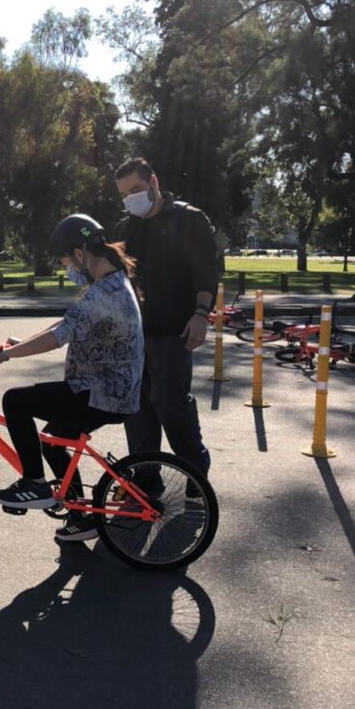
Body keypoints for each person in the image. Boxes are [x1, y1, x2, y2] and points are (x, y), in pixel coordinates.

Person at [0, 214, 144, 542]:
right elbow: (66, 323)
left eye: (65, 260)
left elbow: (60, 335)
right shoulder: (111, 284)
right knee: (52, 440)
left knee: (15, 400)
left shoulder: (103, 293)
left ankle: (34, 484)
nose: (65, 267)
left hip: (102, 393)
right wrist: (20, 344)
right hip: (107, 389)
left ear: (81, 254)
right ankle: (80, 517)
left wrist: (5, 356)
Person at [114, 157, 218, 482]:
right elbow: (116, 279)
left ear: (153, 182)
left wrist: (201, 314)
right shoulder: (125, 228)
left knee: (171, 403)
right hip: (135, 336)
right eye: (124, 194)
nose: (130, 198)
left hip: (175, 331)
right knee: (138, 408)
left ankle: (194, 468)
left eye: (135, 189)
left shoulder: (189, 218)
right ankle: (145, 481)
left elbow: (206, 271)